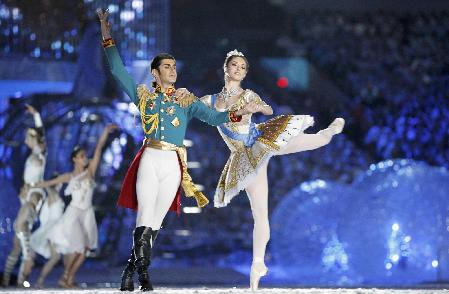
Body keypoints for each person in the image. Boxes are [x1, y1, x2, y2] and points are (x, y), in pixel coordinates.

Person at [97, 8, 259, 292]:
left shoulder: (187, 100)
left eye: (174, 66)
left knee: (157, 220)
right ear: (155, 72)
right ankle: (144, 276)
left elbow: (213, 118)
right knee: (144, 213)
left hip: (174, 162)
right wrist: (106, 34)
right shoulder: (143, 96)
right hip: (150, 157)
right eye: (167, 67)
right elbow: (117, 70)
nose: (173, 70)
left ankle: (131, 268)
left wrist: (238, 113)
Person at [200, 50, 345, 290]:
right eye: (234, 65)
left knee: (314, 141)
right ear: (226, 68)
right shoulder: (209, 101)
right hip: (245, 158)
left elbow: (267, 110)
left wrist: (256, 107)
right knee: (260, 214)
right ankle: (258, 265)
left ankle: (328, 133)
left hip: (261, 140)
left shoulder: (247, 94)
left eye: (243, 67)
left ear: (245, 73)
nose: (238, 69)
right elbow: (200, 112)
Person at [35, 124, 117, 288]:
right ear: (74, 159)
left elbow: (99, 148)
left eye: (85, 156)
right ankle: (65, 277)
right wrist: (31, 186)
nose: (84, 158)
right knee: (79, 246)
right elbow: (48, 183)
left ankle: (68, 278)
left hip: (87, 213)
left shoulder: (90, 171)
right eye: (81, 156)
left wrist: (105, 132)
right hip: (73, 214)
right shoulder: (69, 176)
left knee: (85, 249)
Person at [2, 104, 46, 287]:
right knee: (16, 243)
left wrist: (36, 115)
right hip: (25, 195)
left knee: (20, 226)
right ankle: (10, 280)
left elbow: (41, 131)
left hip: (35, 194)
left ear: (34, 138)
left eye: (28, 136)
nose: (25, 139)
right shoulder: (30, 155)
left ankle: (29, 257)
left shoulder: (40, 151)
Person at [29, 174, 65, 288]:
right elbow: (47, 187)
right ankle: (39, 280)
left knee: (55, 257)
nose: (61, 183)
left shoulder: (54, 195)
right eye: (59, 182)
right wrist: (51, 182)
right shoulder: (53, 194)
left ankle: (37, 280)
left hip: (56, 228)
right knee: (55, 257)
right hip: (52, 229)